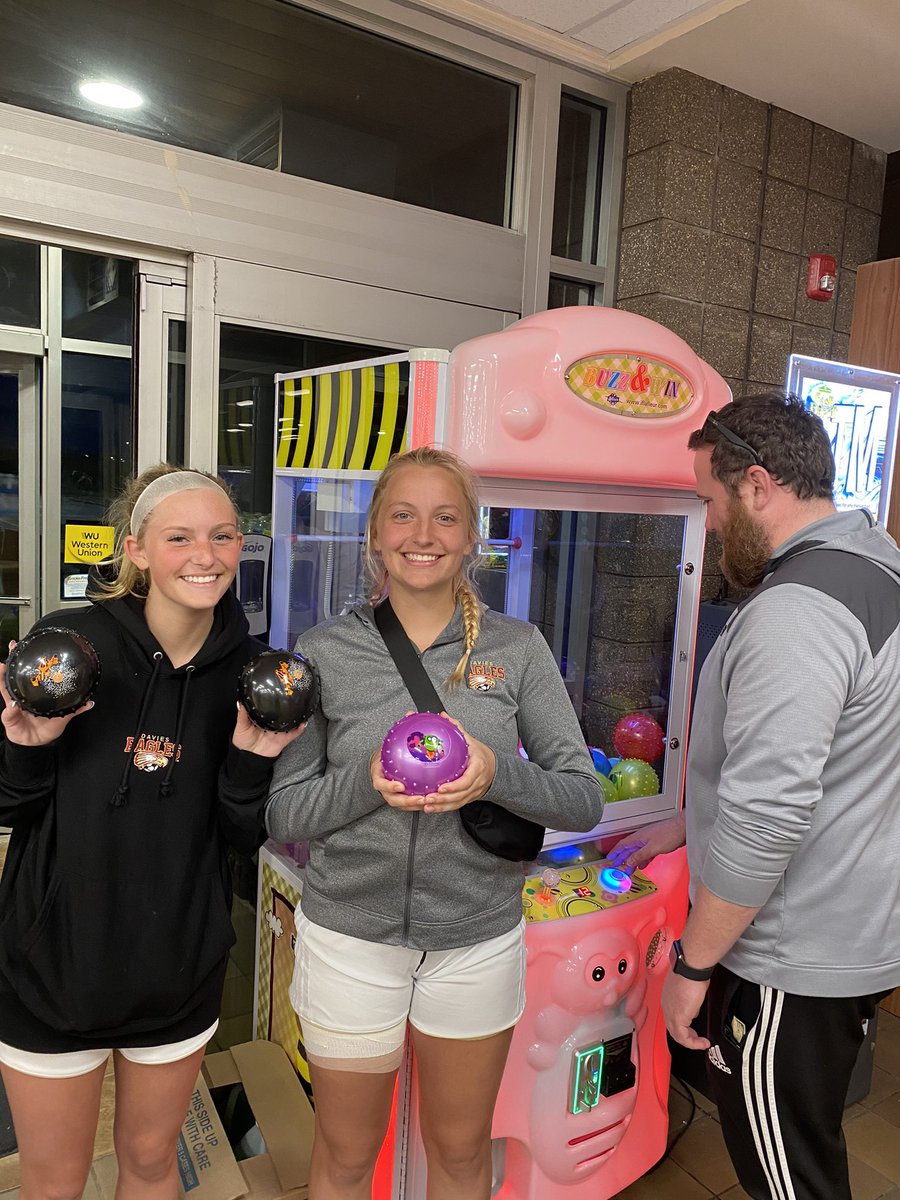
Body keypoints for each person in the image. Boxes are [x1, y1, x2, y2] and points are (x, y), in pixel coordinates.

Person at [266, 445, 604, 1200]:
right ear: (376, 537)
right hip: (350, 935)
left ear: (471, 537)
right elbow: (284, 810)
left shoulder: (517, 649)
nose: (425, 534)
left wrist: (496, 772)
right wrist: (369, 784)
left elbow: (581, 796)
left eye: (446, 517)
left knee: (458, 1154)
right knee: (348, 1158)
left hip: (475, 939)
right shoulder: (325, 651)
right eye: (404, 515)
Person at [0, 465, 303, 1200]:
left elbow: (239, 836)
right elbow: (10, 805)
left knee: (149, 1161)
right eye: (179, 537)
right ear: (135, 550)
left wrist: (251, 762)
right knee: (53, 1178)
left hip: (176, 962)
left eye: (222, 535)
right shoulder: (69, 645)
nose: (205, 554)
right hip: (53, 962)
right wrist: (26, 743)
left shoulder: (250, 670)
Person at [660, 393, 900, 1200]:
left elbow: (768, 816)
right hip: (852, 933)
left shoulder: (797, 608)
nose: (714, 523)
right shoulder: (878, 566)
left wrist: (695, 961)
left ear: (759, 484)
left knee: (788, 1179)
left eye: (713, 501)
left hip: (789, 961)